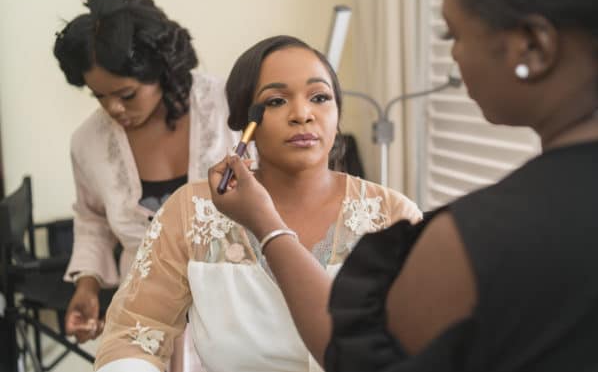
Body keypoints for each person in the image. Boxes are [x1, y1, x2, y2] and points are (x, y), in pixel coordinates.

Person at [210, 0, 598, 370]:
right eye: (276, 101)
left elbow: (352, 358)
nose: (453, 57)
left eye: (453, 34)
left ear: (533, 48)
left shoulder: (469, 245)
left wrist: (267, 226)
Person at [93, 35, 421, 372]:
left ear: (337, 115)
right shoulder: (193, 213)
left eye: (320, 97)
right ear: (243, 121)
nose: (302, 114)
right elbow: (134, 334)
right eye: (276, 101)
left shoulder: (393, 217)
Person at [53, 0, 238, 369]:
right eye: (99, 96)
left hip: (235, 309)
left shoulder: (227, 109)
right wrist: (87, 286)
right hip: (143, 319)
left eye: (126, 94)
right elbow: (92, 219)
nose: (113, 108)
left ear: (161, 72)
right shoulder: (88, 143)